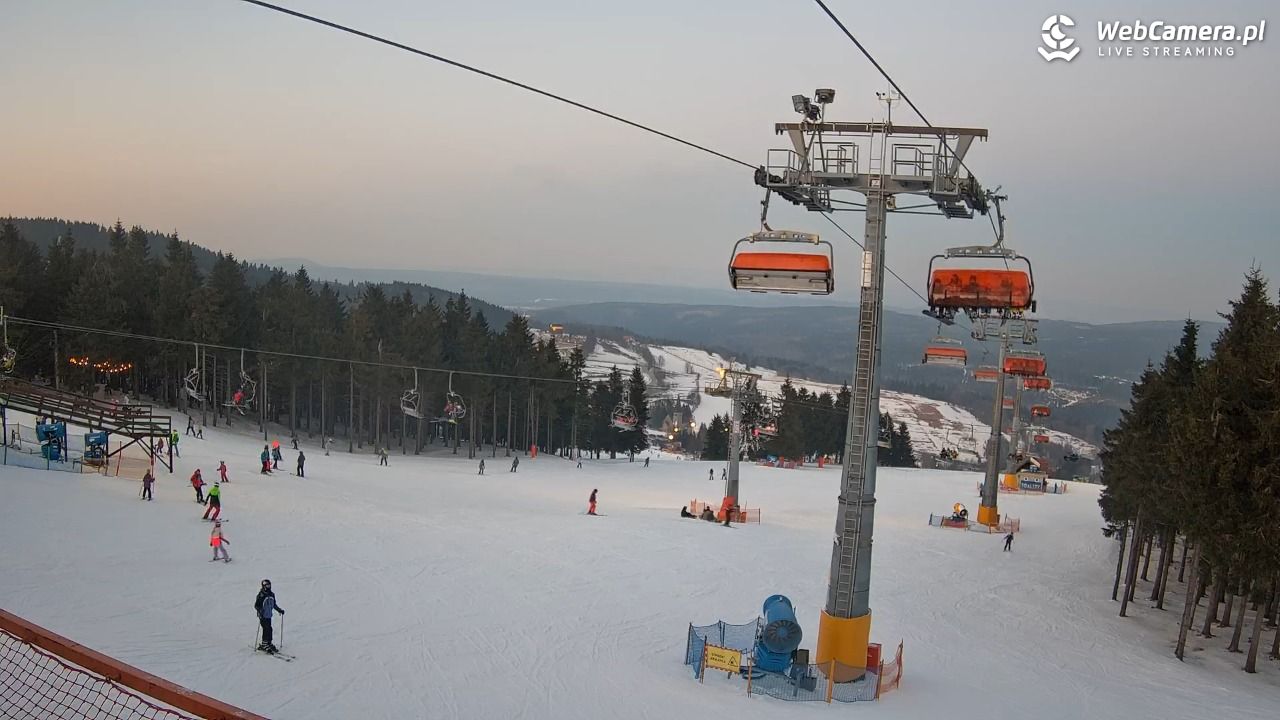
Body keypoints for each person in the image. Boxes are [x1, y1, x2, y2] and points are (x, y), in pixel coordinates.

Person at [254, 579, 285, 653]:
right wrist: (260, 611)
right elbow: (256, 605)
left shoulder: (272, 594)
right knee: (266, 629)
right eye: (267, 585)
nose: (269, 587)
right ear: (264, 586)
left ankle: (269, 643)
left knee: (270, 629)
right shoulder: (261, 595)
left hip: (269, 615)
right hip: (263, 616)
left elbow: (273, 604)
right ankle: (264, 644)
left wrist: (279, 610)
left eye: (269, 585)